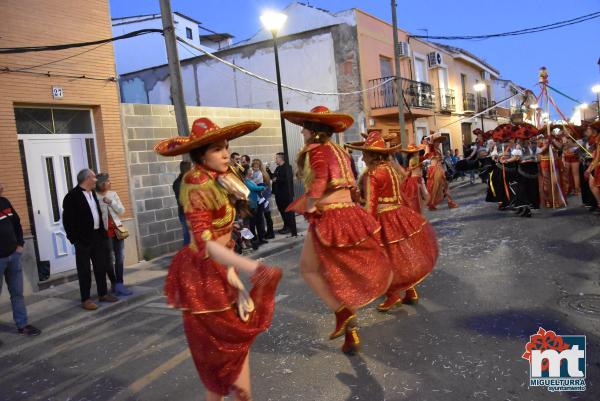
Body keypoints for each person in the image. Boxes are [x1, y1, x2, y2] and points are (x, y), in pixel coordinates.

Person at [154, 117, 282, 401]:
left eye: (226, 147)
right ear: (201, 154)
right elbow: (205, 244)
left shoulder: (220, 178)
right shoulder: (196, 181)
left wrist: (234, 279)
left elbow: (224, 238)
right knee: (223, 355)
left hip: (220, 270)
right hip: (202, 276)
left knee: (231, 354)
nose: (225, 154)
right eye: (217, 149)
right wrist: (252, 267)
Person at [282, 105, 392, 355]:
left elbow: (320, 182)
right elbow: (350, 184)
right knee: (335, 273)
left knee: (309, 270)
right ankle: (350, 332)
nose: (301, 132)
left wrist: (310, 206)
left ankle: (342, 313)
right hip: (349, 213)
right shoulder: (340, 151)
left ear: (312, 130)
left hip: (330, 217)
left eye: (304, 128)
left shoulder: (317, 150)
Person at [346, 132, 438, 312]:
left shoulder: (373, 174)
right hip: (398, 215)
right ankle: (410, 290)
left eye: (365, 153)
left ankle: (392, 295)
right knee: (400, 256)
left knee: (385, 259)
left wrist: (365, 229)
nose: (363, 157)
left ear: (372, 155)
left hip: (383, 219)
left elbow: (371, 204)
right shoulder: (391, 169)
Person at [62, 169, 119, 310]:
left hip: (97, 236)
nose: (96, 180)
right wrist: (74, 239)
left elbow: (96, 213)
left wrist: (102, 234)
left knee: (101, 266)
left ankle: (103, 294)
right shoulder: (71, 196)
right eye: (94, 177)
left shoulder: (92, 193)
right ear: (87, 178)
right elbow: (67, 221)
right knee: (84, 270)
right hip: (82, 240)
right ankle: (86, 299)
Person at [0, 183, 41, 336]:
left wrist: (20, 245)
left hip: (14, 255)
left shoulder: (5, 202)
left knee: (17, 293)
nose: (2, 187)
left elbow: (16, 224)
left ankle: (22, 325)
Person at [95, 173, 133, 296]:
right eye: (107, 181)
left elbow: (122, 211)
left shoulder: (113, 194)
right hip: (105, 233)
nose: (110, 183)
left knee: (120, 257)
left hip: (118, 231)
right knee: (109, 260)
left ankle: (119, 284)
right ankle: (114, 282)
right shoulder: (94, 197)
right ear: (101, 184)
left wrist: (111, 202)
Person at [424, 134, 458, 210]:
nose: (439, 143)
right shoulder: (431, 149)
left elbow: (440, 160)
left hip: (439, 169)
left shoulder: (438, 150)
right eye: (437, 141)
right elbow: (426, 153)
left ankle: (434, 203)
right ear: (434, 142)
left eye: (439, 141)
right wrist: (429, 142)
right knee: (439, 187)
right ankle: (450, 202)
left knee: (441, 186)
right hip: (435, 170)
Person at [270, 152, 297, 236]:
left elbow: (287, 179)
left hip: (285, 194)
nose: (275, 160)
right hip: (278, 193)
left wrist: (277, 179)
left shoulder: (287, 167)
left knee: (287, 211)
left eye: (277, 158)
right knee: (282, 210)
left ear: (281, 158)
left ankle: (290, 227)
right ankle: (286, 226)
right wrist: (268, 171)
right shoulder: (278, 168)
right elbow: (273, 177)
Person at [399, 145, 429, 214]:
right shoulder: (414, 159)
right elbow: (426, 156)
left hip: (415, 180)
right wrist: (428, 146)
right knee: (420, 200)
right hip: (416, 180)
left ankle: (418, 214)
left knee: (419, 200)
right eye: (417, 151)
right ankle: (418, 215)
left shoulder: (412, 159)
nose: (418, 152)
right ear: (414, 152)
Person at [243, 166, 267, 249]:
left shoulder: (249, 180)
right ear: (247, 172)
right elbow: (254, 188)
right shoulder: (246, 181)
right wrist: (262, 187)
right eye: (250, 170)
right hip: (250, 205)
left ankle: (253, 240)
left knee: (252, 223)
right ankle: (251, 241)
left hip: (254, 204)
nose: (252, 171)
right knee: (249, 224)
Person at [251, 159, 275, 239]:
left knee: (266, 216)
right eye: (253, 165)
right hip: (265, 197)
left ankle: (270, 233)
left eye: (254, 165)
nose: (253, 167)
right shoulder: (263, 173)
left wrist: (265, 199)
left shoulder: (261, 174)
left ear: (258, 165)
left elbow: (265, 187)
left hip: (264, 198)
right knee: (267, 216)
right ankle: (269, 232)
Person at [173, 161, 193, 246]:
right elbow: (182, 200)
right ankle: (187, 257)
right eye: (191, 168)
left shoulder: (190, 181)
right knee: (188, 236)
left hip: (194, 212)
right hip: (185, 213)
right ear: (187, 169)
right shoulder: (178, 183)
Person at [583, 120, 600, 213]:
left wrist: (589, 170)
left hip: (597, 166)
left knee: (593, 185)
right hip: (595, 165)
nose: (587, 131)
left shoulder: (598, 139)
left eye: (589, 129)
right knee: (593, 185)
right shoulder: (595, 139)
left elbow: (597, 157)